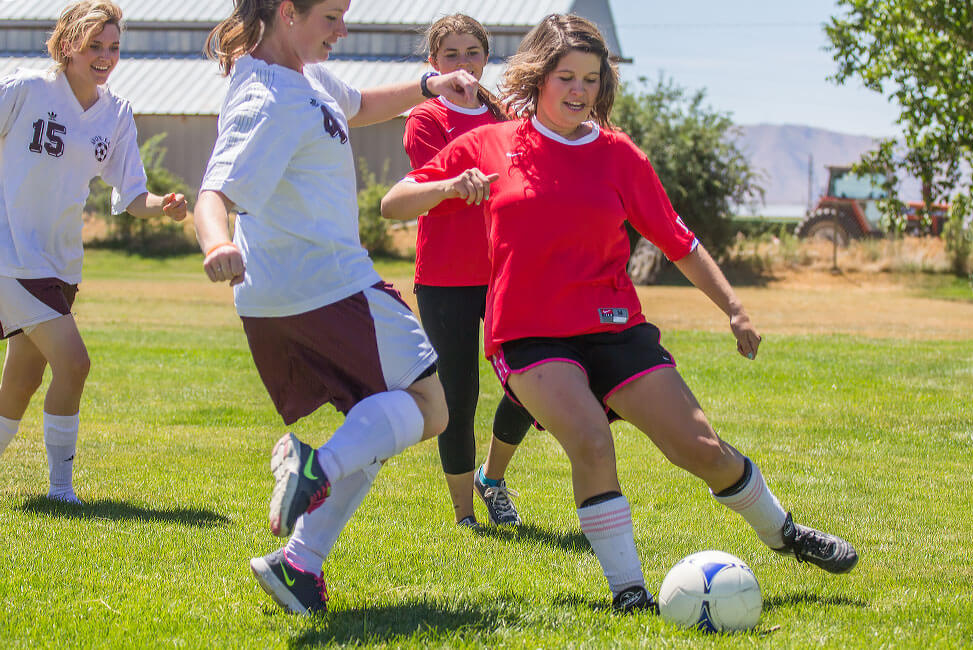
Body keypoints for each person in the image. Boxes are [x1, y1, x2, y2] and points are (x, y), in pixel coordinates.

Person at [382, 13, 858, 613]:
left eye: (590, 78)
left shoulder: (618, 153)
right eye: (565, 77)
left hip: (614, 326)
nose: (579, 90)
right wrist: (451, 187)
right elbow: (393, 202)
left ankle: (782, 531)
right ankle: (629, 593)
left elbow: (677, 239)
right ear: (537, 78)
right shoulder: (491, 143)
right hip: (530, 335)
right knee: (590, 440)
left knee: (701, 447)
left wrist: (734, 309)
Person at [197, 0, 484, 615]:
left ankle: (299, 565)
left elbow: (362, 105)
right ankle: (311, 466)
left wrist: (433, 84)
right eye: (331, 15)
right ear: (286, 12)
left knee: (374, 423)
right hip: (324, 283)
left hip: (297, 289)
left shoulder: (305, 73)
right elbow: (213, 190)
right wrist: (217, 242)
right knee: (431, 409)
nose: (343, 29)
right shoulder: (265, 96)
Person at [0, 0, 187, 504]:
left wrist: (163, 206)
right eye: (94, 46)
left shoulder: (117, 113)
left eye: (113, 47)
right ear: (67, 46)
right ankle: (61, 492)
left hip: (59, 264)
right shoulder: (24, 89)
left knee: (23, 379)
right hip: (10, 258)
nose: (105, 56)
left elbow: (131, 196)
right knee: (74, 363)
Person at [402, 14, 534, 528]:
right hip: (443, 281)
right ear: (434, 64)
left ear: (486, 57)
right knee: (458, 394)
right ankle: (464, 517)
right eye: (451, 55)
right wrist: (468, 182)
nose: (463, 64)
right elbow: (436, 188)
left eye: (472, 53)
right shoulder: (425, 119)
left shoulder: (505, 114)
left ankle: (492, 479)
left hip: (506, 272)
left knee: (531, 380)